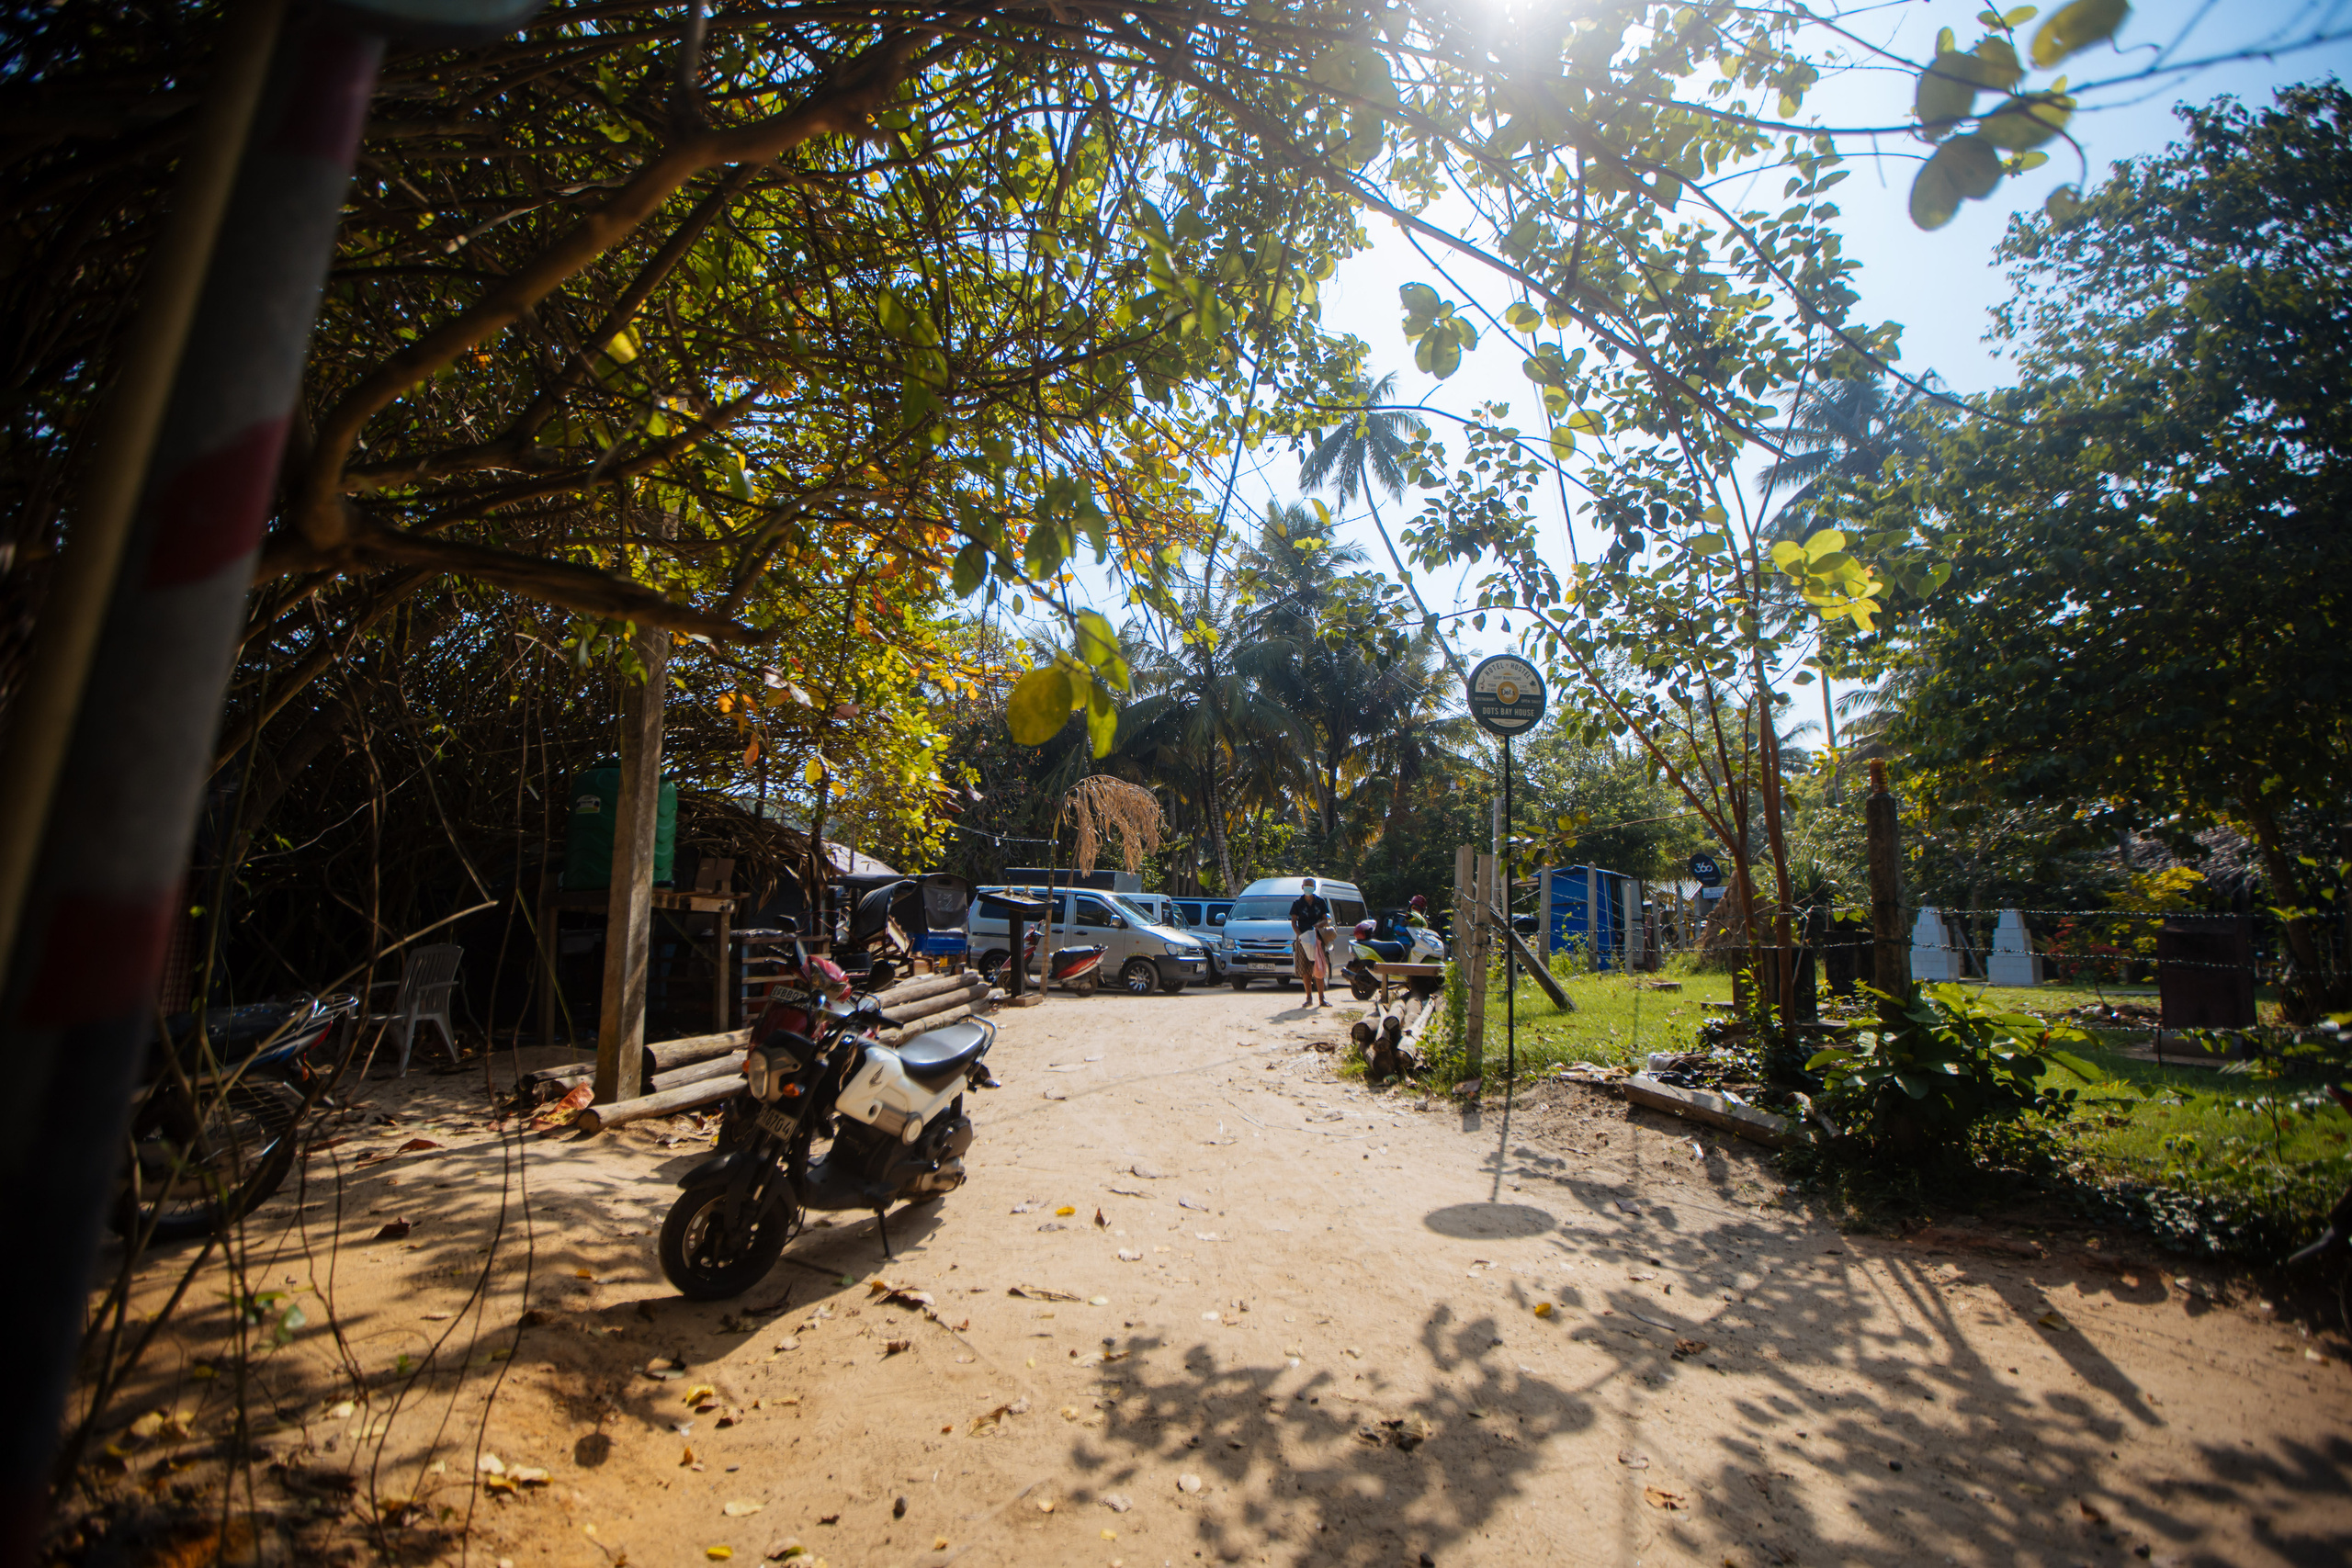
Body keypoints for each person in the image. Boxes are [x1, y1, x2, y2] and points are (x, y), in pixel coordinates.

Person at [1291, 877, 1331, 1005]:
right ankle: (1308, 998)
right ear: (1302, 887)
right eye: (1306, 885)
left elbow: (1326, 920)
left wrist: (1319, 925)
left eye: (1311, 885)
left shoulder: (1320, 902)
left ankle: (1321, 998)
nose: (1308, 887)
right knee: (1305, 971)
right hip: (1303, 940)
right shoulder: (1297, 903)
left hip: (1318, 939)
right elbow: (1293, 922)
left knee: (1319, 968)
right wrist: (1300, 936)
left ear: (1314, 887)